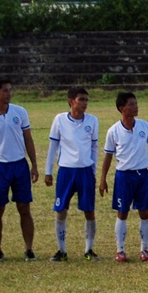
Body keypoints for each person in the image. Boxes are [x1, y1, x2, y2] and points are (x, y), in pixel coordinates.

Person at [98, 92, 148, 262]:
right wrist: (103, 179)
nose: (136, 107)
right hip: (124, 176)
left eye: (136, 103)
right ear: (122, 108)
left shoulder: (143, 125)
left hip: (142, 175)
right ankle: (120, 250)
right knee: (122, 212)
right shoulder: (113, 131)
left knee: (144, 212)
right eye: (132, 104)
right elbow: (108, 156)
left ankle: (145, 249)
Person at [0, 76, 40, 261]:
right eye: (5, 90)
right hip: (0, 168)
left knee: (24, 207)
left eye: (10, 90)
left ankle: (29, 249)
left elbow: (28, 139)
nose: (9, 93)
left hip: (20, 165)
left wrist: (34, 164)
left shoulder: (20, 112)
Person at [44, 86, 100, 261]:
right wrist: (48, 171)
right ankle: (61, 250)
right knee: (61, 209)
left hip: (85, 171)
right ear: (71, 101)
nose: (84, 103)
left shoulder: (92, 121)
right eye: (81, 99)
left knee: (89, 210)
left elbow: (94, 147)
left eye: (86, 100)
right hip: (66, 171)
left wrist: (93, 170)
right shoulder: (60, 120)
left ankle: (89, 250)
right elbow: (53, 146)